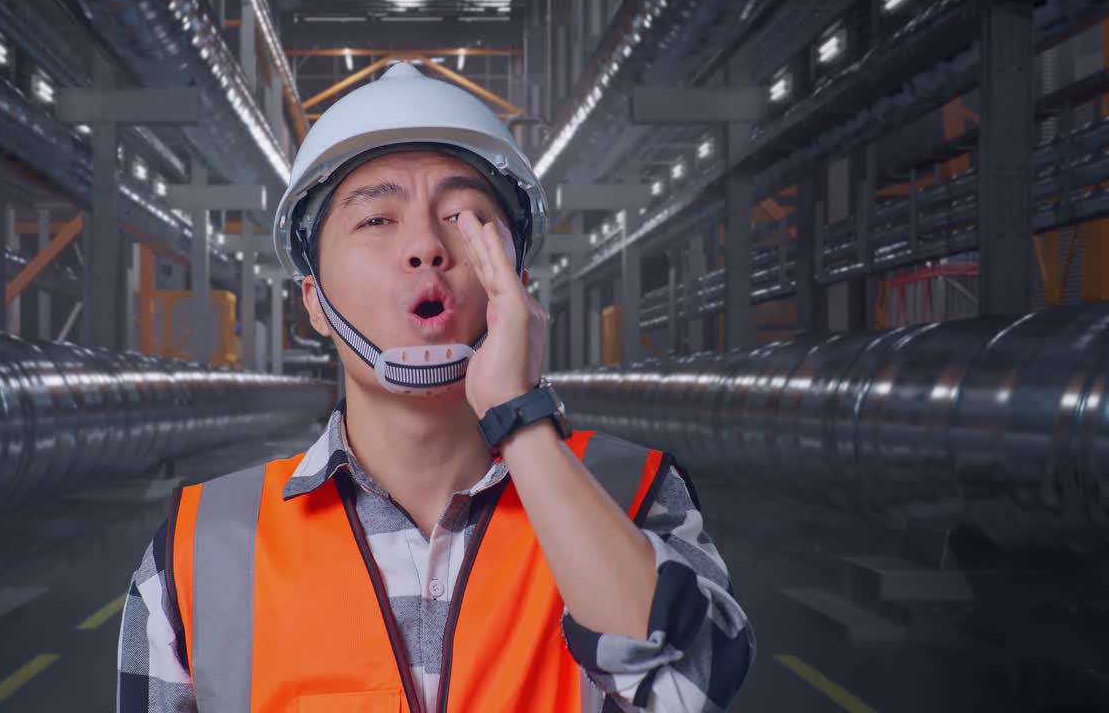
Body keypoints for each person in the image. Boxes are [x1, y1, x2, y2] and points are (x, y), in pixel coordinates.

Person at [117, 62, 753, 712]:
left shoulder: (634, 494)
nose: (425, 245)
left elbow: (689, 690)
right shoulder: (199, 547)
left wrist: (522, 419)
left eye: (462, 216)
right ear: (314, 299)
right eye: (377, 220)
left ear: (515, 280)